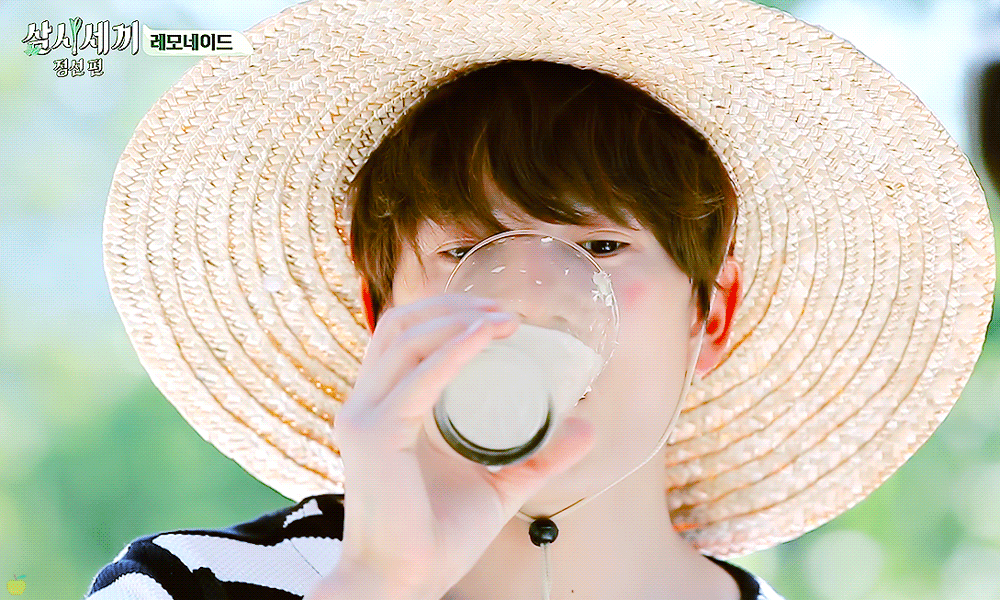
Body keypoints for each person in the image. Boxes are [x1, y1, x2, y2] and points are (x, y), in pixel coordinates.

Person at [84, 0, 995, 599]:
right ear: (381, 311)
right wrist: (376, 582)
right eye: (466, 251)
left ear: (709, 318)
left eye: (599, 248)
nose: (529, 302)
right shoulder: (188, 584)